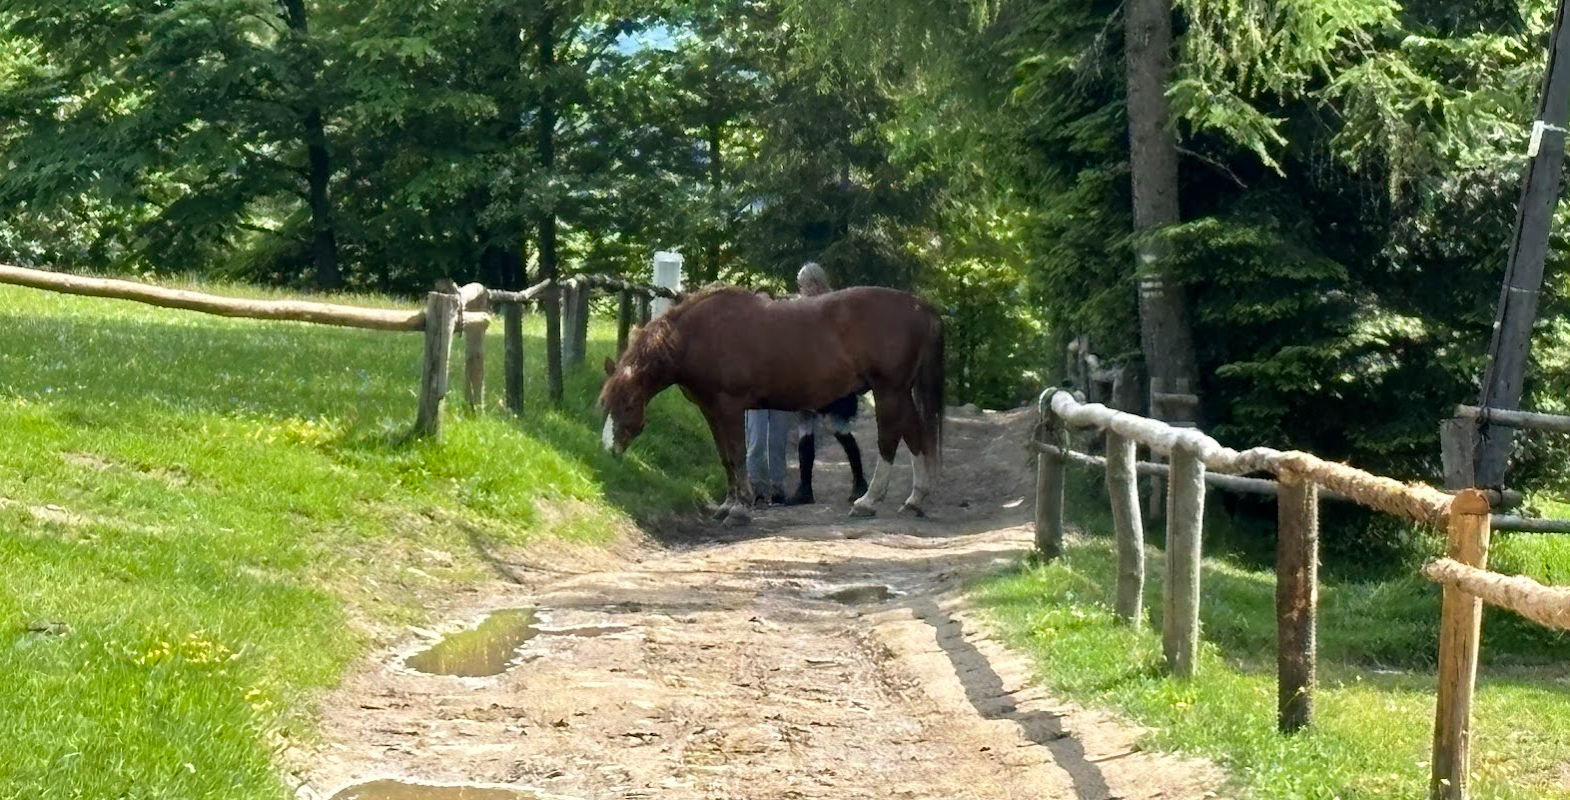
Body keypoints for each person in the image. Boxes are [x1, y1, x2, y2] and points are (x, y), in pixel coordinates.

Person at [786, 262, 868, 505]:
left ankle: (860, 481)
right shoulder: (805, 306)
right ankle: (805, 487)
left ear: (815, 284)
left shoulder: (835, 305)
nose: (801, 290)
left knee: (839, 427)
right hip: (808, 376)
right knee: (805, 428)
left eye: (804, 286)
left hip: (833, 377)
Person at [744, 289, 791, 505]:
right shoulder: (747, 332)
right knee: (757, 439)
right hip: (755, 394)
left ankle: (777, 486)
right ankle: (756, 487)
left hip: (780, 391)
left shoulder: (782, 331)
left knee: (778, 440)